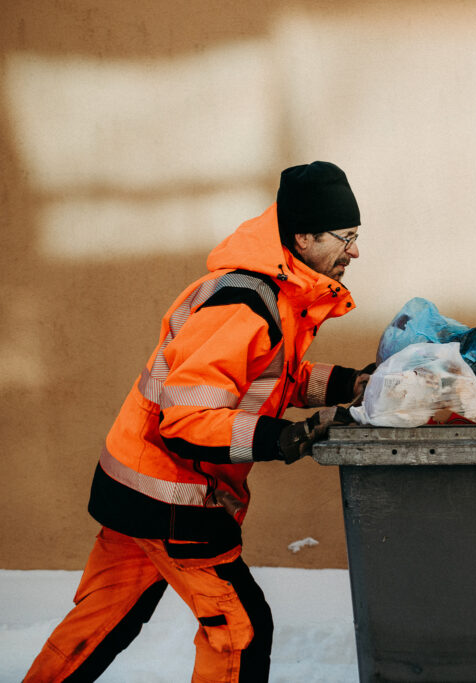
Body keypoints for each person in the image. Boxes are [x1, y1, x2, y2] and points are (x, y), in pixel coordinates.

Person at [24, 161, 373, 683]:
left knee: (102, 622)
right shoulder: (246, 302)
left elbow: (274, 377)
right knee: (240, 630)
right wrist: (281, 438)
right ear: (303, 237)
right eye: (346, 238)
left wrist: (351, 384)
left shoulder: (278, 295)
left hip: (134, 485)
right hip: (172, 496)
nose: (355, 251)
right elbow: (186, 419)